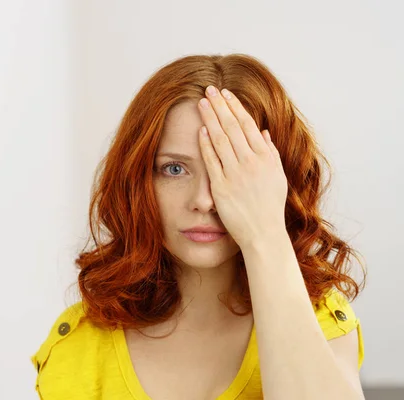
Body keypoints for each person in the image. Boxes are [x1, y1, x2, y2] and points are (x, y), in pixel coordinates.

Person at [30, 53, 366, 400]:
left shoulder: (318, 319)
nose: (204, 200)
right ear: (137, 180)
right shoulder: (79, 344)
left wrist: (264, 234)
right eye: (175, 169)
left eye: (231, 169)